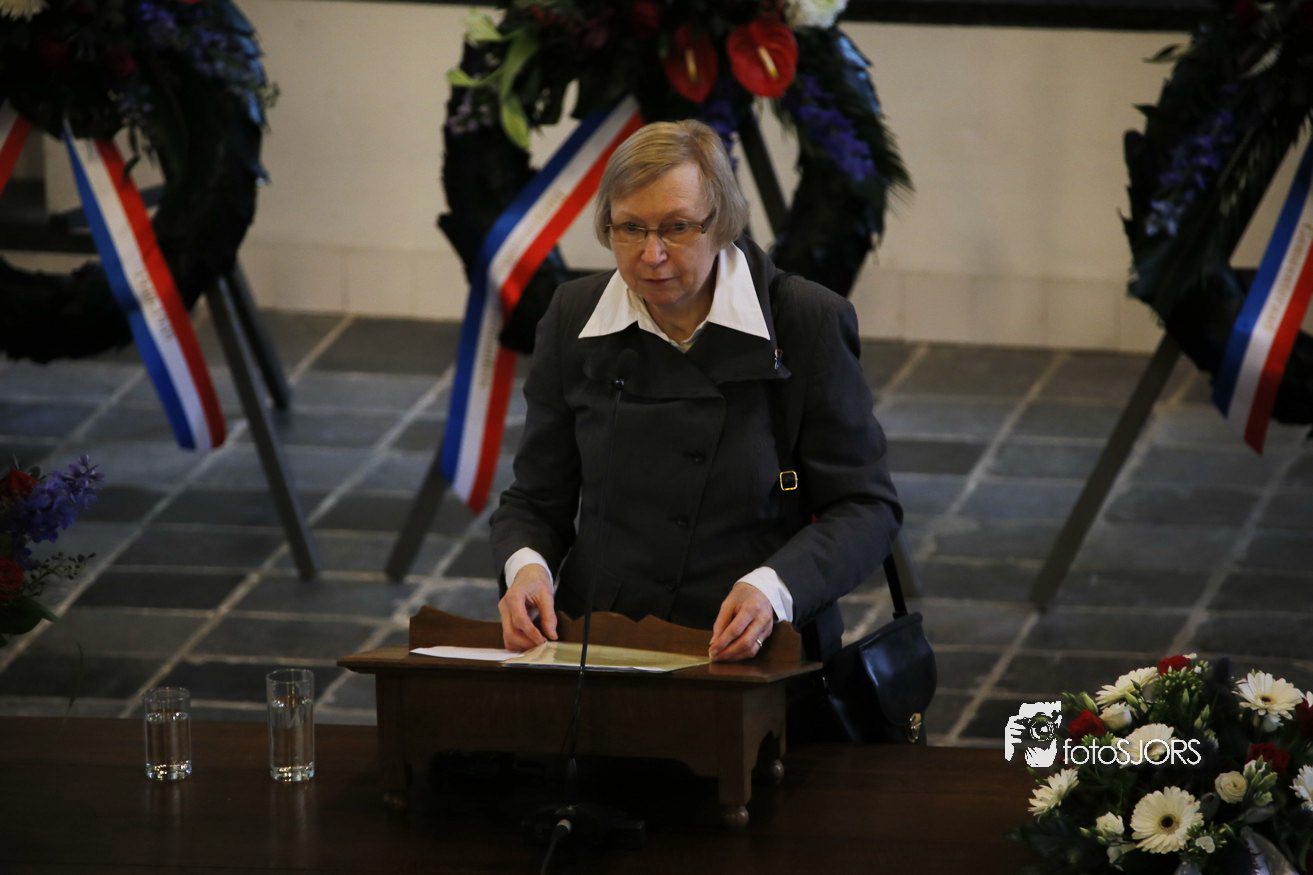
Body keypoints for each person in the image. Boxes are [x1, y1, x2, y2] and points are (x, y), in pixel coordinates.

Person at [490, 119, 901, 664]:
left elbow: (866, 507)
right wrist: (526, 568)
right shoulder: (573, 316)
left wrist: (773, 589)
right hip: (605, 643)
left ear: (722, 223)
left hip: (754, 647)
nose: (651, 254)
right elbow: (537, 498)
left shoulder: (806, 321)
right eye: (630, 228)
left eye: (677, 228)